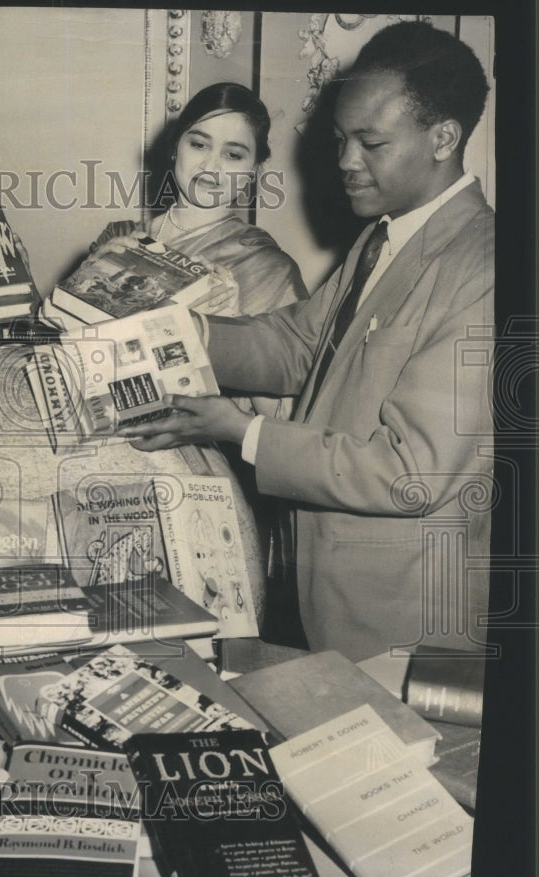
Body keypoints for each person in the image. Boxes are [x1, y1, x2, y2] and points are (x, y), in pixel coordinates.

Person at [119, 22, 493, 661]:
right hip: (325, 595)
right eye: (341, 140)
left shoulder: (485, 268)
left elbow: (412, 472)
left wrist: (240, 431)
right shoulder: (382, 238)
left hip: (402, 622)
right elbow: (296, 343)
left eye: (370, 143)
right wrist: (167, 330)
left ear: (444, 138)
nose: (346, 161)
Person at [92, 82, 310, 610]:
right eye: (198, 143)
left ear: (255, 169)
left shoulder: (267, 268)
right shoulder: (117, 238)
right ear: (174, 147)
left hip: (202, 479)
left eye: (234, 153)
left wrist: (224, 333)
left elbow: (284, 417)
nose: (212, 164)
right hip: (101, 465)